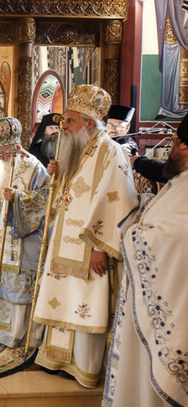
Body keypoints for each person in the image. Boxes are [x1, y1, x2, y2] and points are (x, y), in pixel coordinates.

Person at [32, 84, 138, 388]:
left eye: (69, 121)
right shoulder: (76, 146)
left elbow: (117, 200)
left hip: (89, 247)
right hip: (64, 239)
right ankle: (57, 359)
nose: (63, 126)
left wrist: (99, 247)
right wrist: (58, 173)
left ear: (89, 123)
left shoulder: (110, 151)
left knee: (85, 301)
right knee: (61, 297)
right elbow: (70, 194)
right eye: (64, 121)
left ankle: (84, 365)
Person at [103, 116, 188, 407]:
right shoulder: (180, 180)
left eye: (175, 141)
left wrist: (135, 234)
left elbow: (179, 238)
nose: (171, 147)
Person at [0, 116, 49, 348]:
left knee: (18, 288)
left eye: (5, 153)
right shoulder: (3, 166)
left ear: (17, 149)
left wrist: (18, 198)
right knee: (2, 285)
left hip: (23, 241)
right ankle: (1, 330)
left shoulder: (33, 167)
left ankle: (18, 334)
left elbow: (46, 199)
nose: (2, 158)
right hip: (0, 239)